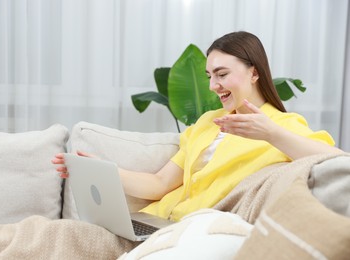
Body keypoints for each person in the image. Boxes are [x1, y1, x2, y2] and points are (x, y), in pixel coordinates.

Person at [52, 31, 342, 222]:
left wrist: (270, 133)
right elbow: (160, 184)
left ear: (254, 73)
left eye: (222, 74)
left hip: (197, 229)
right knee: (46, 235)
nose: (214, 86)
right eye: (209, 76)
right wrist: (103, 169)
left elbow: (337, 161)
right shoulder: (206, 122)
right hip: (159, 220)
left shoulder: (282, 125)